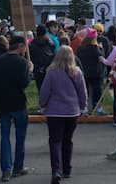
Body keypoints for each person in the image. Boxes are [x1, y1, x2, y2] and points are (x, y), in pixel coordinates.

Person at [39, 45, 87, 184]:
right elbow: (82, 92)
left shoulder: (52, 72)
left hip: (54, 111)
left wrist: (42, 104)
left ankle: (56, 170)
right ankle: (67, 168)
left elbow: (45, 91)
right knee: (68, 140)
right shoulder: (77, 72)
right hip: (72, 111)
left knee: (55, 141)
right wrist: (83, 106)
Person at [0, 35, 34, 181]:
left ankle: (6, 170)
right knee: (20, 137)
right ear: (20, 47)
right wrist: (30, 70)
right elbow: (24, 83)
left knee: (5, 137)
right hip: (18, 103)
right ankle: (18, 167)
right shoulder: (22, 62)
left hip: (3, 103)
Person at [76, 28, 106, 114]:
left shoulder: (80, 47)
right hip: (96, 72)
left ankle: (84, 108)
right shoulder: (95, 48)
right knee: (98, 91)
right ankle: (98, 108)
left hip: (84, 71)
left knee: (85, 91)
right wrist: (102, 49)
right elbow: (102, 58)